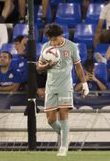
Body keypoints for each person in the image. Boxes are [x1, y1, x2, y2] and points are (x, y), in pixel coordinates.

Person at [36, 23, 89, 157]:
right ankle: (66, 135)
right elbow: (39, 67)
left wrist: (84, 84)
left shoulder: (71, 46)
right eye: (51, 40)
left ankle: (63, 147)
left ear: (61, 36)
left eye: (55, 39)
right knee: (50, 120)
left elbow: (78, 66)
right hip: (51, 86)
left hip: (65, 86)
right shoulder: (46, 47)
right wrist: (47, 65)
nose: (53, 42)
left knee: (64, 114)